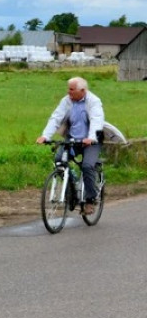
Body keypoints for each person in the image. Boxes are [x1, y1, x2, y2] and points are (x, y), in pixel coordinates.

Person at [36, 76, 105, 215]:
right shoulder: (66, 101)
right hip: (73, 140)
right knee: (59, 161)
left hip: (91, 141)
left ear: (83, 91)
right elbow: (56, 117)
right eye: (68, 89)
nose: (69, 92)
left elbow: (97, 119)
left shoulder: (93, 101)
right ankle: (71, 187)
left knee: (87, 166)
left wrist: (91, 138)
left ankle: (90, 200)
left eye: (72, 90)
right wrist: (45, 136)